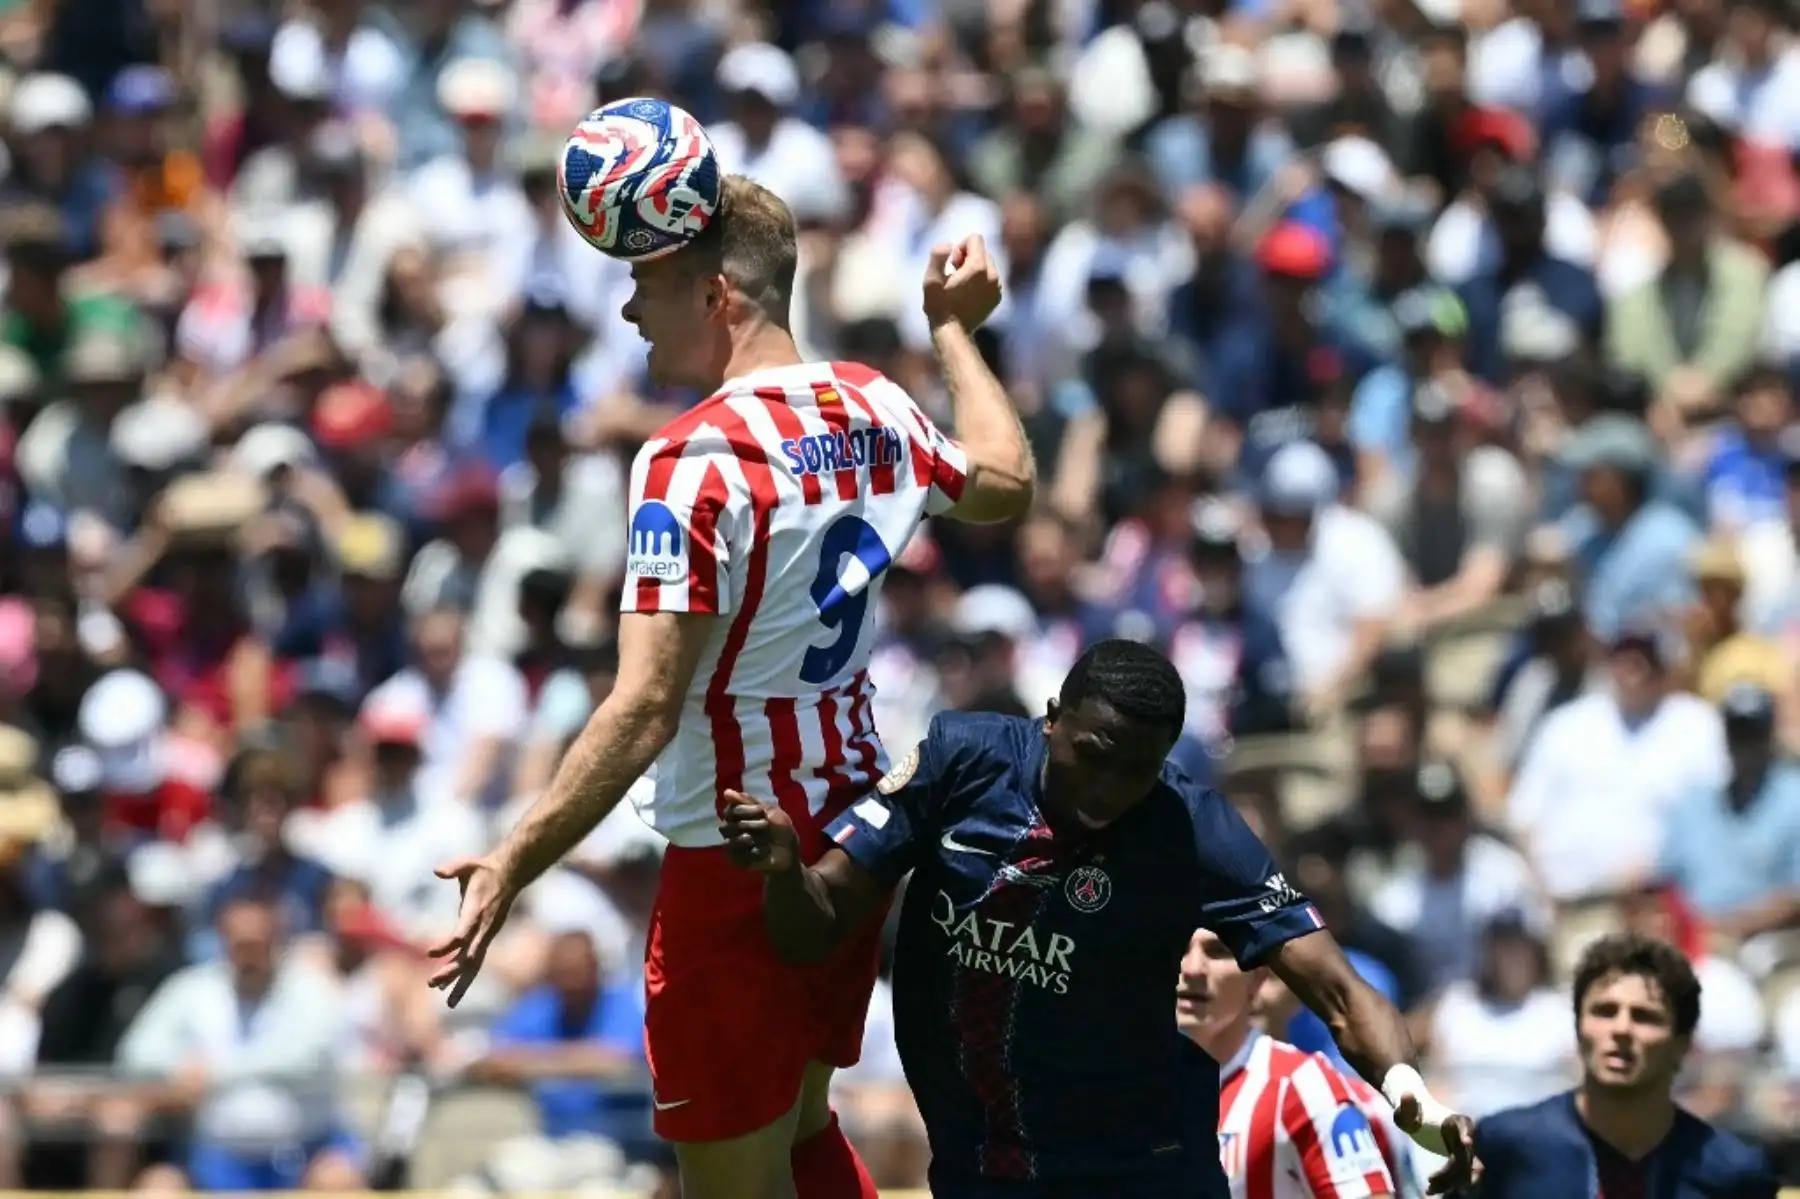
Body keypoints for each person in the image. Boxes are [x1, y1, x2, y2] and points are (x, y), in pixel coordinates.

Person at [426, 172, 1036, 1199]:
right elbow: (1007, 479)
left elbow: (645, 704)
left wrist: (512, 857)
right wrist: (953, 332)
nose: (627, 309)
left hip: (736, 856)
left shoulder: (690, 459)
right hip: (850, 840)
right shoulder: (875, 404)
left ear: (717, 295)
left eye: (646, 285)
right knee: (800, 1133)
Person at [720, 640, 1479, 1198]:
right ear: (1053, 719)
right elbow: (810, 928)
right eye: (1096, 754)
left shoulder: (1191, 827)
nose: (1110, 788)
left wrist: (1411, 1089)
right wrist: (785, 871)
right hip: (981, 1162)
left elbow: (1339, 989)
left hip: (1139, 1170)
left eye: (1138, 770)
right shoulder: (960, 761)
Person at [1472, 933, 1780, 1198]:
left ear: (1681, 1044)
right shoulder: (1504, 1146)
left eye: (1645, 1016)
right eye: (1605, 1012)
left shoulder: (1735, 1173)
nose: (1621, 1029)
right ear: (1579, 1029)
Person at [1177, 926, 1399, 1198]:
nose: (1192, 968)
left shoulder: (1302, 1087)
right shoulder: (1134, 1088)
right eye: (1178, 950)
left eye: (1218, 952)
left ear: (1258, 978)